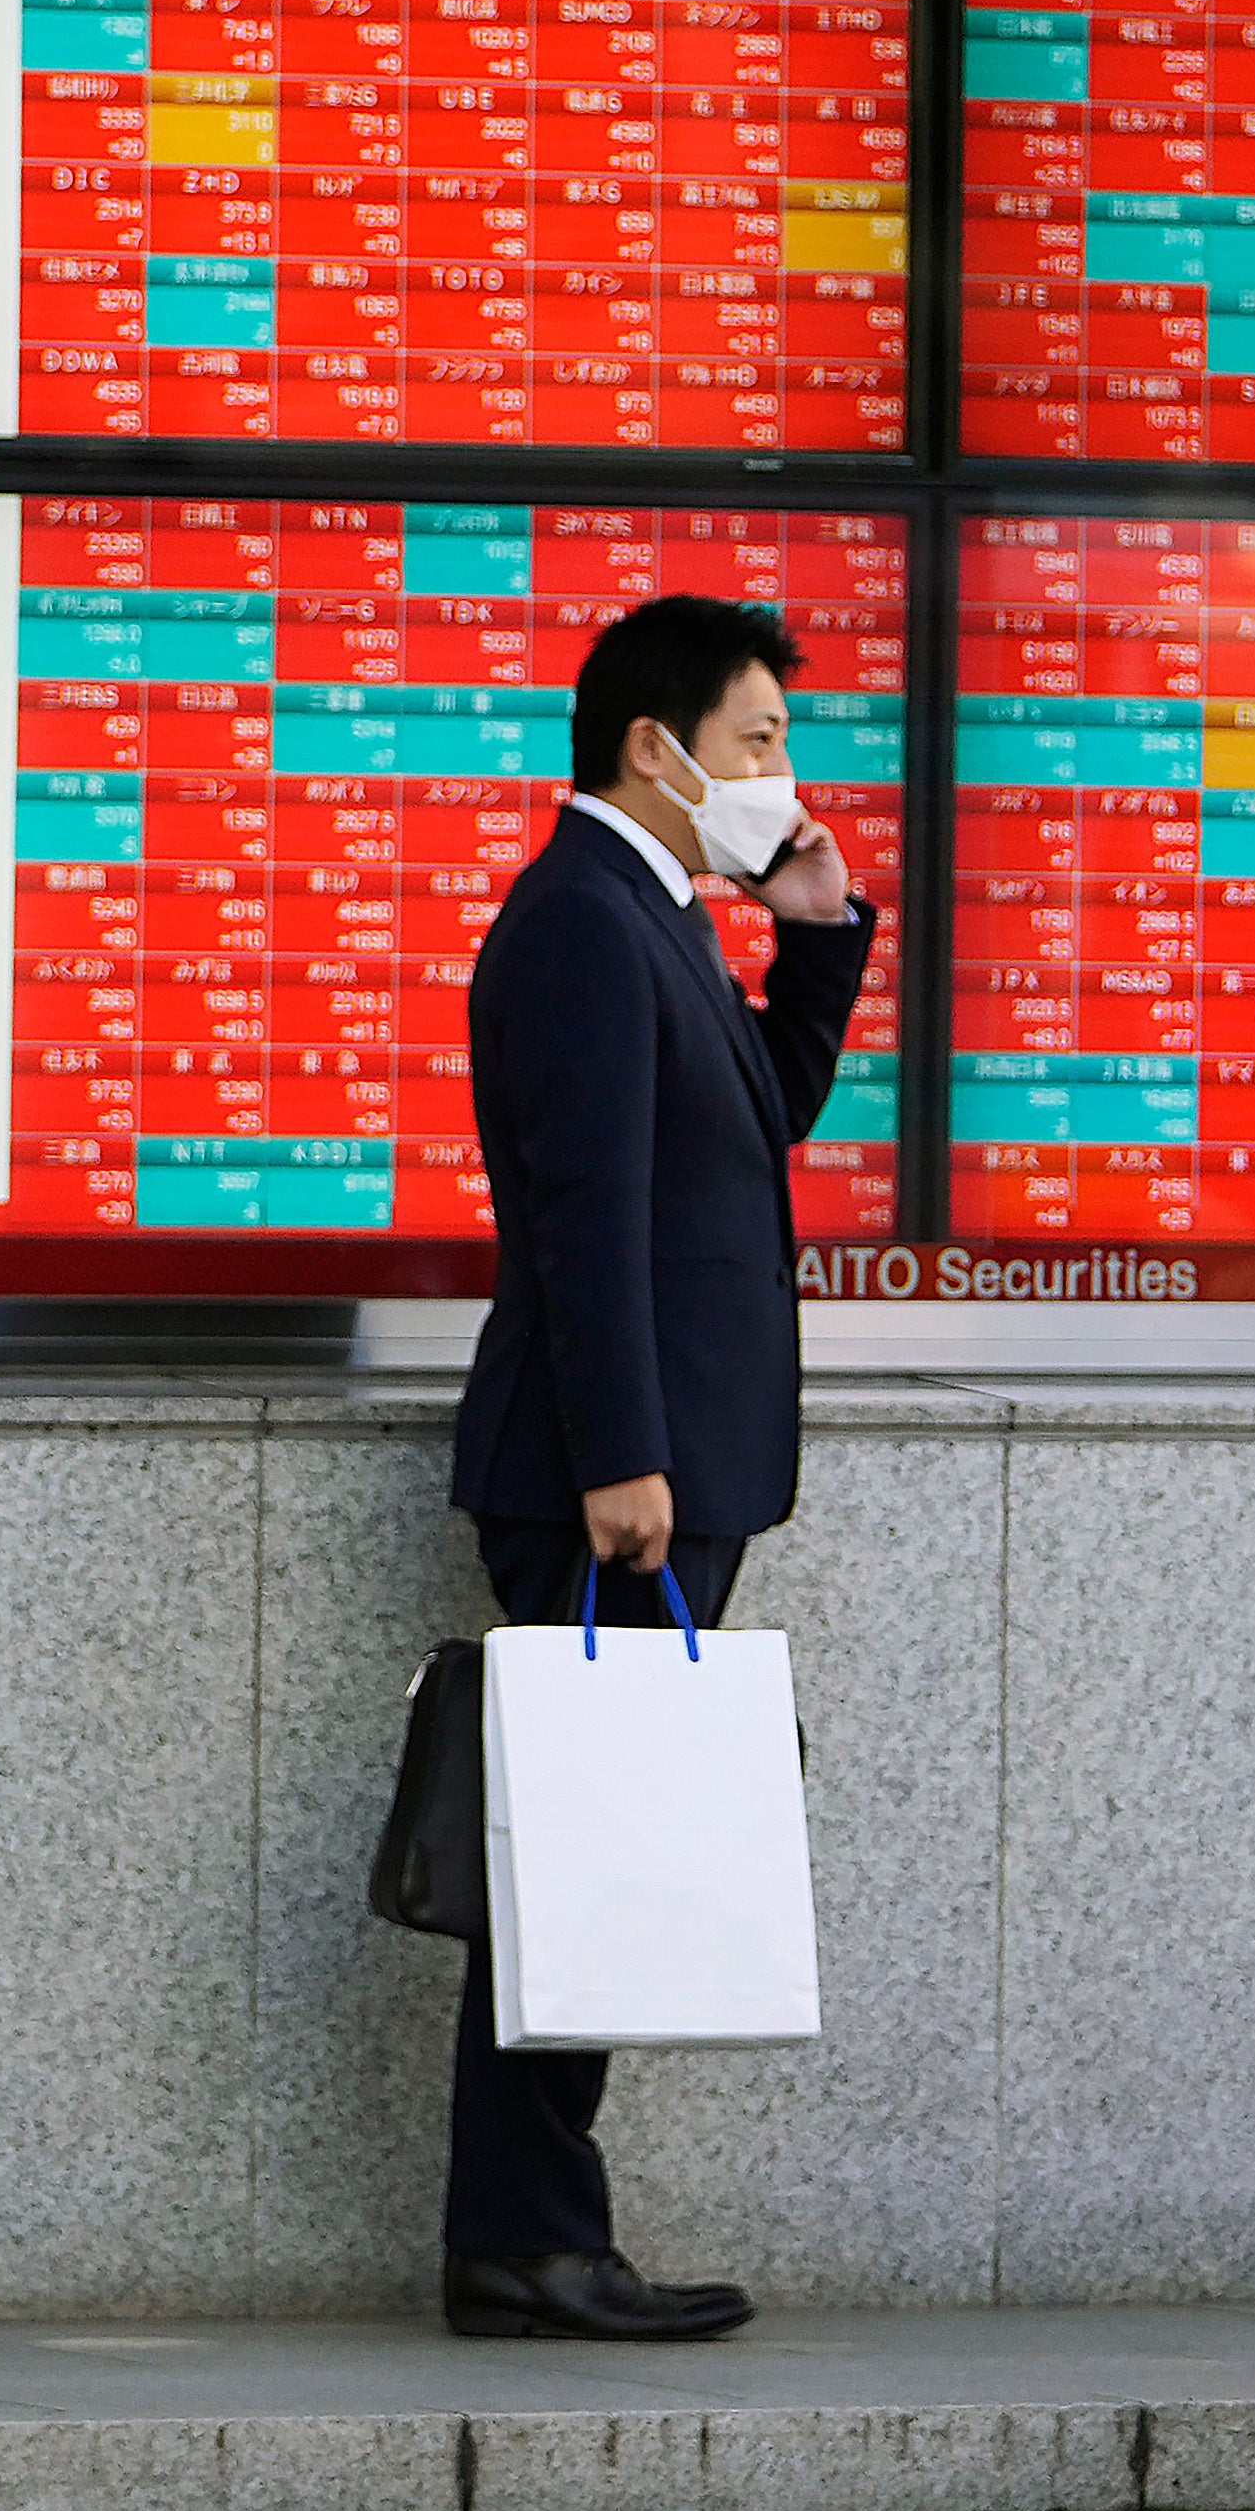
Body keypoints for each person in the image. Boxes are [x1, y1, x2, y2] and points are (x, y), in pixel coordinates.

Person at [438, 591, 879, 2343]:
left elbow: (759, 1122)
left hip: (672, 1473)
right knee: (572, 1864)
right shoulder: (578, 921)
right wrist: (625, 1459)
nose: (786, 773)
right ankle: (531, 2238)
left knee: (585, 1858)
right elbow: (585, 1212)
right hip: (613, 1486)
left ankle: (529, 2235)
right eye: (762, 740)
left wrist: (819, 937)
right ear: (657, 745)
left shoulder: (659, 917)